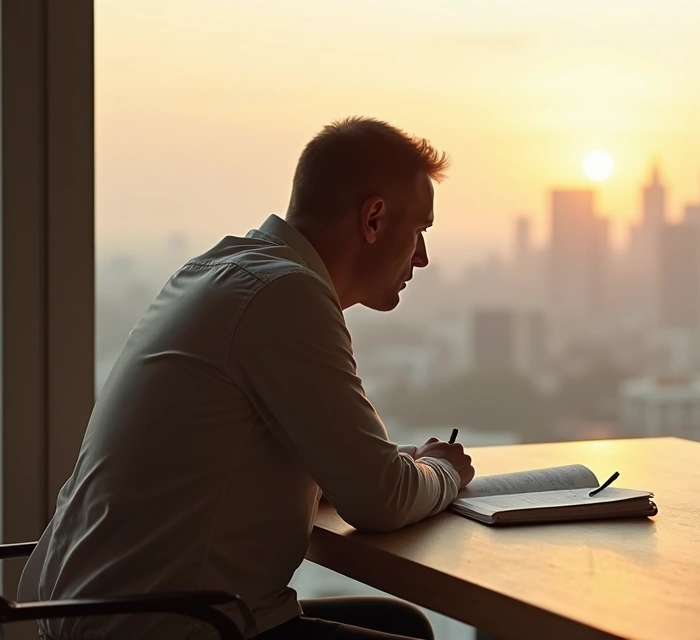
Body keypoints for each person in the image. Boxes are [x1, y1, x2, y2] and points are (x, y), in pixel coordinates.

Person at [18, 117, 475, 640]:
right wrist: (442, 471)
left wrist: (383, 464)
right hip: (176, 625)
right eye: (419, 231)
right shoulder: (285, 296)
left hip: (96, 613)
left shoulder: (221, 269)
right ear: (373, 219)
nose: (422, 257)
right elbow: (380, 499)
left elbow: (292, 459)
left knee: (403, 623)